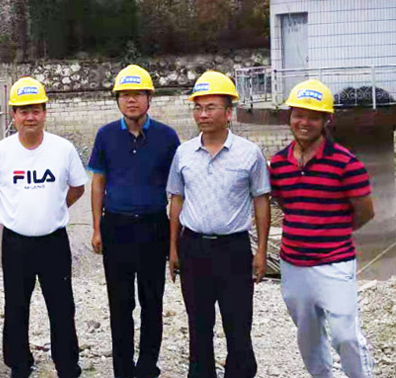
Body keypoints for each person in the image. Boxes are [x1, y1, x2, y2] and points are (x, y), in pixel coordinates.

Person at [166, 70, 271, 378]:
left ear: (228, 113)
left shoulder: (249, 154)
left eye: (210, 107)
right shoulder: (184, 153)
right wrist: (173, 248)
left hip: (233, 249)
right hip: (193, 247)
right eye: (198, 107)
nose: (203, 114)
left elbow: (261, 201)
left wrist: (261, 251)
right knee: (198, 325)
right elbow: (176, 200)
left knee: (238, 324)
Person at [0, 77, 87, 378]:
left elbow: (78, 187)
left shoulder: (62, 149)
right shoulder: (0, 152)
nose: (30, 117)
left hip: (54, 241)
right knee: (16, 306)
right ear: (13, 115)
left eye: (36, 110)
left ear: (45, 112)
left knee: (62, 305)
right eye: (23, 111)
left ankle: (67, 364)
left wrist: (54, 206)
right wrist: (11, 210)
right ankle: (19, 363)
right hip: (16, 242)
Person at [269, 79, 375, 378]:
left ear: (327, 120)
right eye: (298, 115)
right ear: (290, 117)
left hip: (335, 263)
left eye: (313, 117)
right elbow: (286, 204)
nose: (304, 122)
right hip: (293, 264)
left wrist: (333, 230)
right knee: (308, 336)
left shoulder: (346, 163)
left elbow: (365, 212)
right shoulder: (278, 164)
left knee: (346, 335)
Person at [87, 64, 180, 378]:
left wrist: (174, 239)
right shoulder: (106, 136)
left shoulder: (167, 137)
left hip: (153, 226)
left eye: (138, 94)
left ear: (149, 98)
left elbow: (177, 191)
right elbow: (98, 183)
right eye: (124, 94)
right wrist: (97, 228)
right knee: (120, 303)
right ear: (117, 99)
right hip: (116, 227)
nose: (131, 100)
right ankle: (123, 369)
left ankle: (147, 366)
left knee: (152, 301)